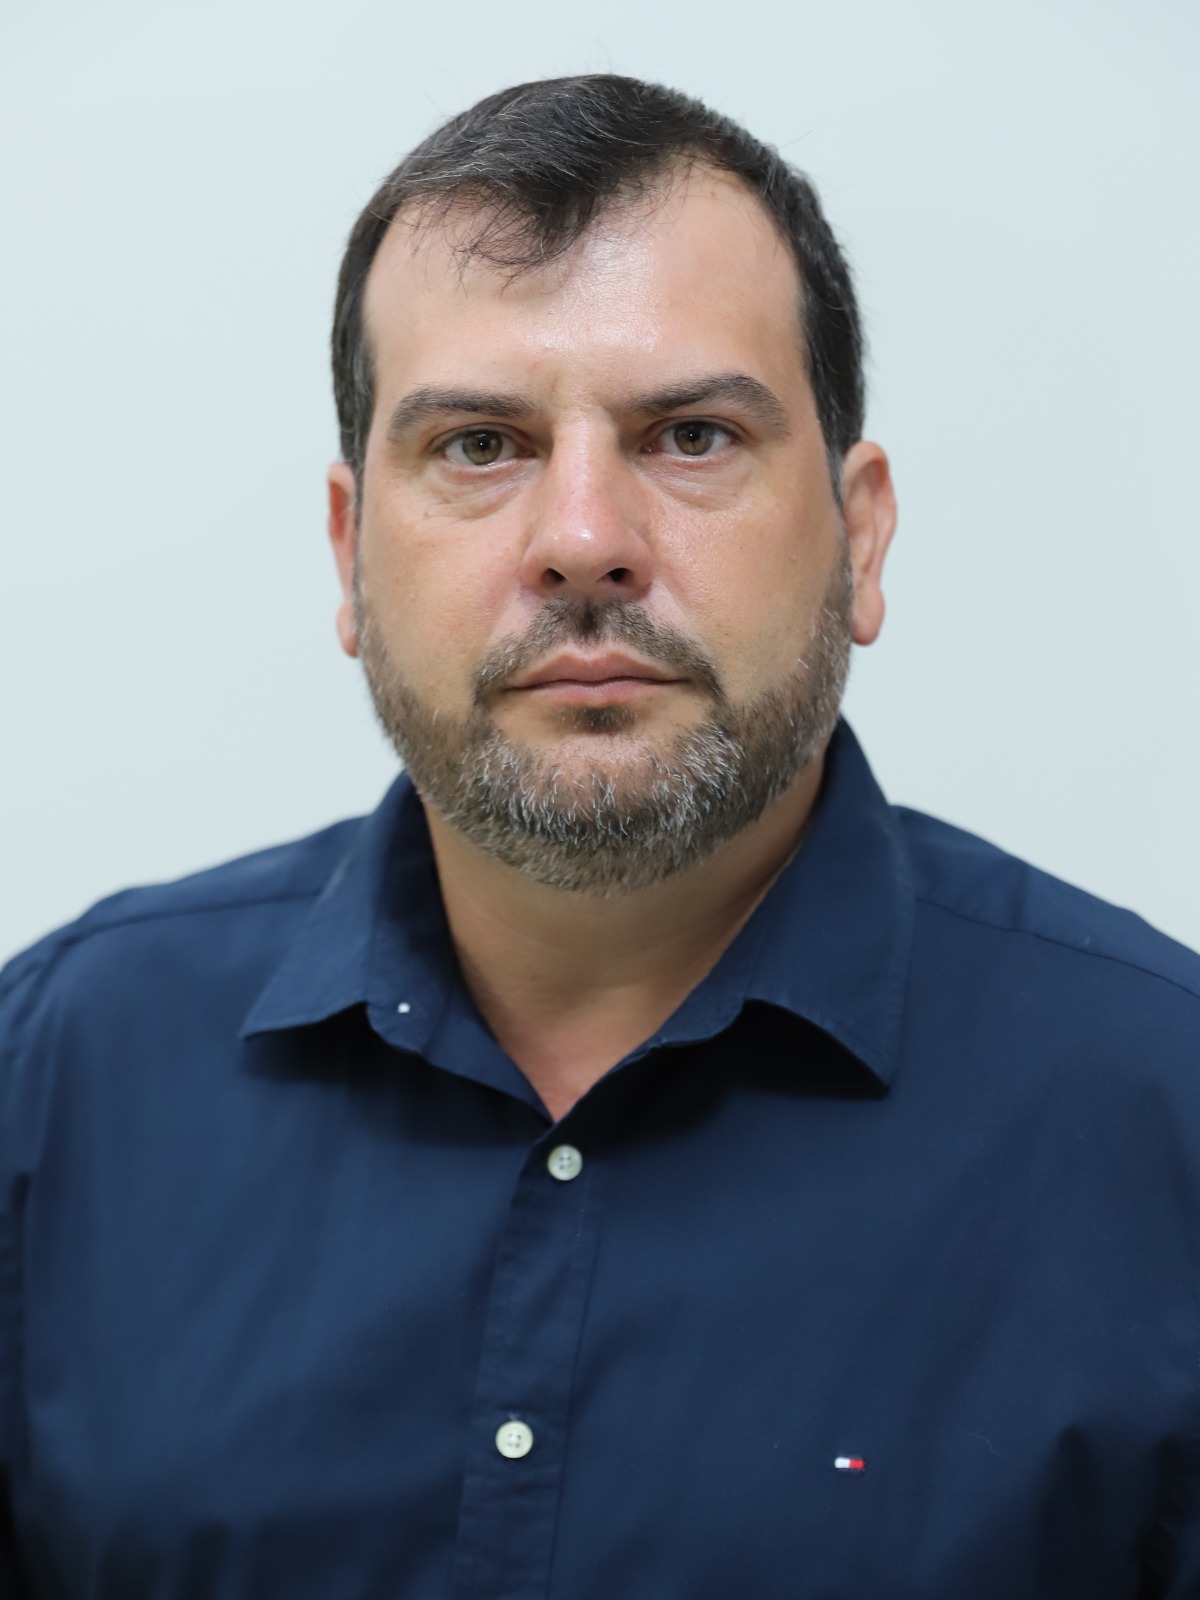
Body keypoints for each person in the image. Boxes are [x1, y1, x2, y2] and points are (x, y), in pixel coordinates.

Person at [1, 72, 1198, 1600]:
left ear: (860, 534)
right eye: (479, 445)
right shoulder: (56, 1084)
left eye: (691, 434)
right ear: (350, 554)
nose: (583, 542)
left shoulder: (1165, 1123)